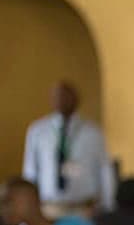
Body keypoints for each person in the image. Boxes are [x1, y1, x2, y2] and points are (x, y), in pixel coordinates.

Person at [23, 81, 115, 217]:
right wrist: (29, 205)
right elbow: (30, 170)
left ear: (77, 100)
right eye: (57, 96)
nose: (62, 100)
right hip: (50, 208)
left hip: (84, 208)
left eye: (66, 96)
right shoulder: (38, 130)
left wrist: (108, 204)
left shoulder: (92, 132)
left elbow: (105, 169)